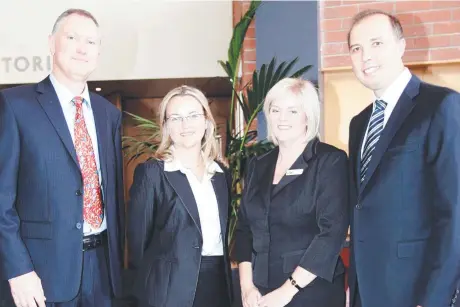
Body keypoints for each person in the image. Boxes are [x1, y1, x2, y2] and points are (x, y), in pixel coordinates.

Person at [0, 9, 124, 307]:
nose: (82, 48)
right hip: (40, 276)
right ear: (51, 43)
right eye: (72, 37)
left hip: (103, 272)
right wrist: (18, 271)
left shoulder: (109, 114)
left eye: (91, 42)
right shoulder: (16, 106)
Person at [347, 9, 460, 307]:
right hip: (366, 291)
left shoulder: (442, 106)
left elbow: (454, 212)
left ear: (401, 46)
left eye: (376, 44)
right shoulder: (359, 124)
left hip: (417, 292)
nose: (365, 56)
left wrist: (434, 298)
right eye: (356, 49)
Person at [234, 78, 349, 307]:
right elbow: (244, 229)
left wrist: (288, 290)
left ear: (308, 116)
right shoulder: (258, 164)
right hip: (260, 294)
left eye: (292, 111)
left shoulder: (329, 161)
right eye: (275, 110)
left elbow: (330, 234)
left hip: (311, 292)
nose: (282, 118)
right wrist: (247, 287)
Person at [126, 85, 233, 307]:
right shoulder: (152, 173)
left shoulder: (221, 174)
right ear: (166, 126)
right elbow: (138, 246)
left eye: (193, 115)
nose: (185, 125)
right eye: (176, 118)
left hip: (218, 287)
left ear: (206, 121)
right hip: (168, 291)